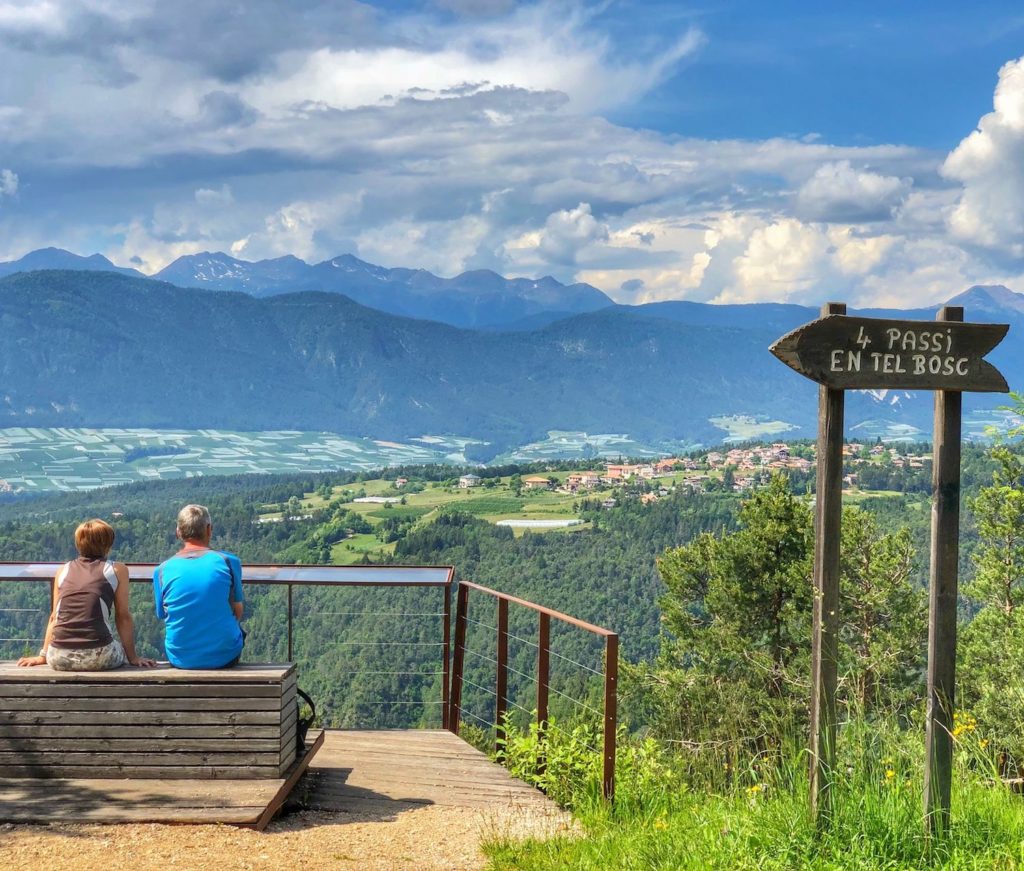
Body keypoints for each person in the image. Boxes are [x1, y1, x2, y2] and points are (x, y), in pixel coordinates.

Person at [17, 519, 156, 670]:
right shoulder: (117, 570)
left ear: (78, 544)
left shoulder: (63, 570)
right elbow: (122, 617)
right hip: (98, 655)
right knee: (117, 649)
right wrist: (133, 657)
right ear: (108, 544)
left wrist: (43, 656)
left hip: (57, 656)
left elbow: (54, 617)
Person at [153, 504, 245, 669]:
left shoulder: (161, 571)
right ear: (209, 529)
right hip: (225, 655)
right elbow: (238, 611)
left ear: (178, 533)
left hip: (180, 657)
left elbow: (162, 614)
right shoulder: (229, 562)